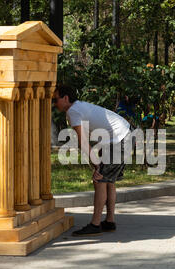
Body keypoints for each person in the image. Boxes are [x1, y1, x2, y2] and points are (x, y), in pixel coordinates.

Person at [53, 85, 131, 236]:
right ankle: (109, 221)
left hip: (119, 138)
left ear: (66, 98)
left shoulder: (73, 111)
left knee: (99, 180)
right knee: (108, 181)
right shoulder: (79, 106)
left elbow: (82, 141)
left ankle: (95, 225)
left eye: (55, 100)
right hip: (123, 135)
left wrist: (96, 164)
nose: (54, 104)